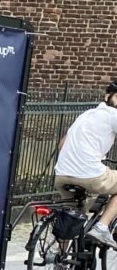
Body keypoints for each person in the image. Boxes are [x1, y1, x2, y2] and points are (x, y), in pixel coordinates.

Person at [54, 81, 117, 251]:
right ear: (107, 96)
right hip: (90, 175)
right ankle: (102, 228)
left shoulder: (86, 114)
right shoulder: (113, 115)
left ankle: (60, 261)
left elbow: (61, 145)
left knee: (70, 214)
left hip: (62, 174)